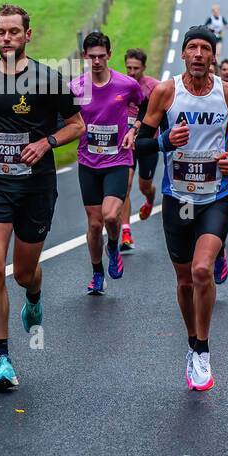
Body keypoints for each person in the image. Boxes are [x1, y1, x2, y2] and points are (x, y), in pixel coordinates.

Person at [0, 4, 84, 392]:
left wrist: (47, 143)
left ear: (28, 35)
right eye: (1, 32)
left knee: (22, 272)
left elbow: (77, 125)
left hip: (36, 187)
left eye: (14, 32)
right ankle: (2, 359)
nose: (6, 38)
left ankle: (34, 292)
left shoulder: (48, 78)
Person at [133, 28, 228, 392]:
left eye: (206, 49)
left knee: (202, 269)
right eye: (193, 48)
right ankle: (191, 342)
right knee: (185, 279)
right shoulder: (166, 92)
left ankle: (202, 350)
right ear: (184, 55)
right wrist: (163, 141)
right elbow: (140, 143)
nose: (199, 54)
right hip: (179, 199)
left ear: (213, 57)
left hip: (216, 196)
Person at [71, 31, 145, 295]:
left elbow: (145, 106)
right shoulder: (77, 87)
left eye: (102, 56)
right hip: (88, 161)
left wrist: (134, 128)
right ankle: (97, 273)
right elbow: (65, 119)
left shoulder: (126, 85)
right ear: (84, 56)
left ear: (110, 55)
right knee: (94, 224)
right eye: (92, 57)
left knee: (111, 215)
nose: (97, 61)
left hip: (117, 159)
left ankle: (112, 246)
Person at [119, 48, 160, 250]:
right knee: (124, 186)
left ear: (144, 67)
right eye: (129, 68)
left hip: (147, 144)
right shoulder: (120, 84)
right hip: (126, 144)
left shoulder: (153, 87)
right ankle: (126, 232)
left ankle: (149, 200)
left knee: (145, 186)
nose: (132, 72)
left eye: (136, 68)